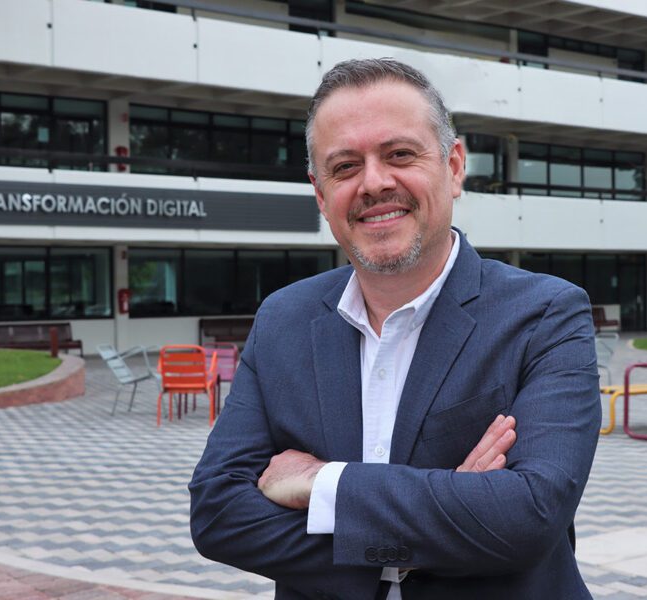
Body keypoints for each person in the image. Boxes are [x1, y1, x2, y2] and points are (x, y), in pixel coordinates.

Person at [190, 58, 601, 599]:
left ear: (454, 167)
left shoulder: (546, 314)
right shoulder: (282, 320)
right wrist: (448, 520)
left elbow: (528, 517)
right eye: (345, 167)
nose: (374, 183)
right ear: (320, 194)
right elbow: (218, 514)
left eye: (400, 154)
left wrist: (322, 483)